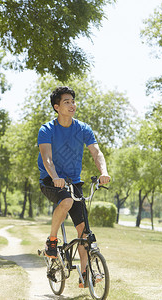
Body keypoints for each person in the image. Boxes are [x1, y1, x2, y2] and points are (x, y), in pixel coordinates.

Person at [38, 86, 110, 288]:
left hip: (74, 182)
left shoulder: (83, 129)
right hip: (51, 180)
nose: (72, 105)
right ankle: (52, 241)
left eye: (73, 101)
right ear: (57, 107)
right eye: (66, 102)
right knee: (67, 200)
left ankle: (85, 274)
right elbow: (47, 158)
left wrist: (103, 172)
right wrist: (55, 177)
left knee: (84, 232)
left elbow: (96, 153)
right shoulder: (47, 130)